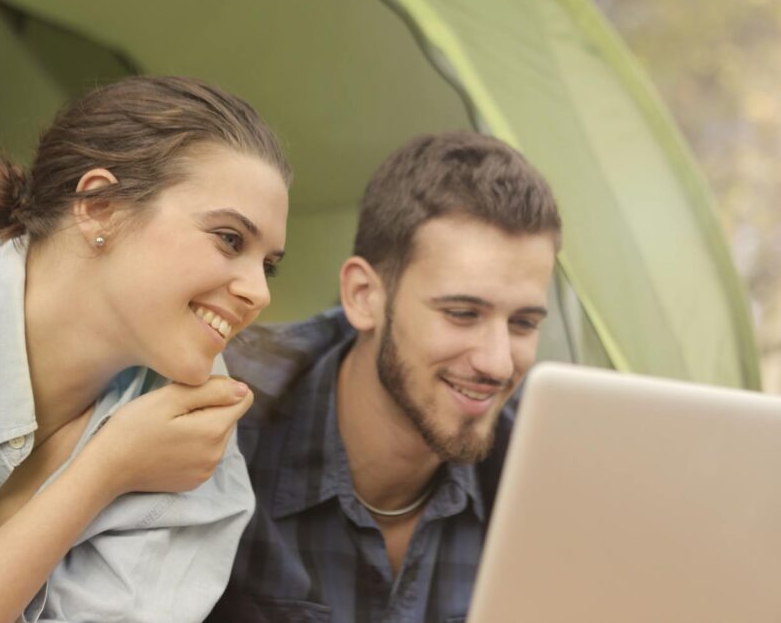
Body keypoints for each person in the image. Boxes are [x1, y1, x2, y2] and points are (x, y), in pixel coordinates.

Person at [0, 76, 291, 623]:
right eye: (229, 239)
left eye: (267, 265)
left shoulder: (195, 439)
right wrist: (103, 472)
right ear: (99, 205)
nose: (259, 293)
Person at [208, 131, 561, 622]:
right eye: (462, 313)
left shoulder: (542, 478)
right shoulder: (222, 416)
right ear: (362, 296)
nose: (498, 364)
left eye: (523, 323)